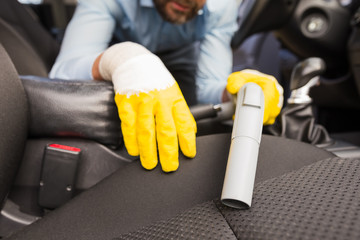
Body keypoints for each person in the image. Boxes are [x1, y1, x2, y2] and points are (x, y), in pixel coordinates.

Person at [49, 0, 283, 172]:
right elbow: (62, 73)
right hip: (113, 47)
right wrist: (124, 59)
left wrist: (237, 92)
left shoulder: (222, 6)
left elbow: (207, 87)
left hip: (181, 57)